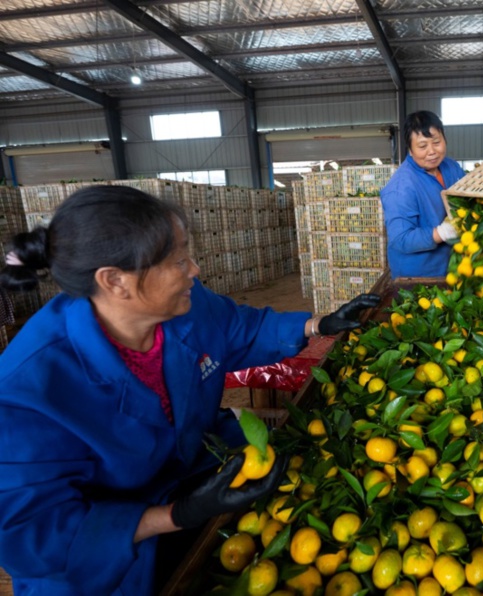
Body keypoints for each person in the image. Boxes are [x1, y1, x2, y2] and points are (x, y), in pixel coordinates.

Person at [0, 185, 380, 594]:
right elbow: (30, 533)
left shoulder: (184, 306)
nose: (194, 269)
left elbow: (239, 327)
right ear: (115, 281)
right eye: (178, 260)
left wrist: (318, 326)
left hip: (193, 470)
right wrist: (174, 515)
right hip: (104, 556)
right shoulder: (30, 388)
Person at [380, 110, 466, 278]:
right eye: (422, 146)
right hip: (417, 276)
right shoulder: (401, 187)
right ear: (410, 150)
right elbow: (401, 238)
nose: (432, 151)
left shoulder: (450, 167)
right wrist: (442, 233)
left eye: (436, 142)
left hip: (452, 268)